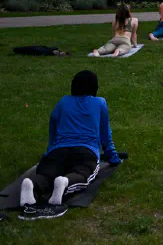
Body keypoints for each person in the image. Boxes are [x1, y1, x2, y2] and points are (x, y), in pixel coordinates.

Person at [19, 71, 123, 221]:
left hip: (58, 151)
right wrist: (114, 158)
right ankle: (65, 183)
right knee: (82, 173)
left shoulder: (63, 101)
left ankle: (32, 184)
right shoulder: (100, 103)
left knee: (47, 174)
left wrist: (50, 150)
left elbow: (53, 123)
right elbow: (105, 134)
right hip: (86, 152)